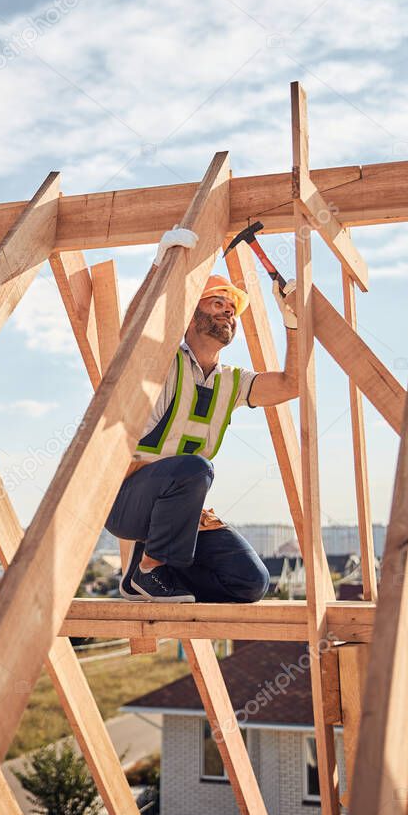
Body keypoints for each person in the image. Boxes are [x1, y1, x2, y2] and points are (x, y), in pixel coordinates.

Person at [106, 225, 298, 603]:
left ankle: (148, 575)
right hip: (129, 502)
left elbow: (292, 385)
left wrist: (293, 322)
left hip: (179, 516)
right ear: (191, 316)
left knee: (250, 583)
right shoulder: (164, 363)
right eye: (217, 303)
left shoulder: (232, 382)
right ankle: (149, 568)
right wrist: (160, 267)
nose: (228, 310)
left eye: (232, 308)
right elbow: (132, 333)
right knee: (196, 468)